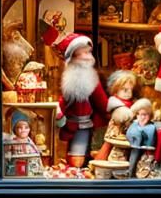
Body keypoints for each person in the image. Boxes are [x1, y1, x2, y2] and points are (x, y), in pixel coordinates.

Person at [42, 21, 110, 168]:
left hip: (83, 125)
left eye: (88, 52)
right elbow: (66, 99)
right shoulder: (70, 76)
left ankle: (75, 169)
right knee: (66, 155)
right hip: (69, 124)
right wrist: (59, 110)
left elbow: (101, 102)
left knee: (77, 158)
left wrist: (111, 113)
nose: (87, 57)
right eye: (82, 53)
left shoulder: (90, 78)